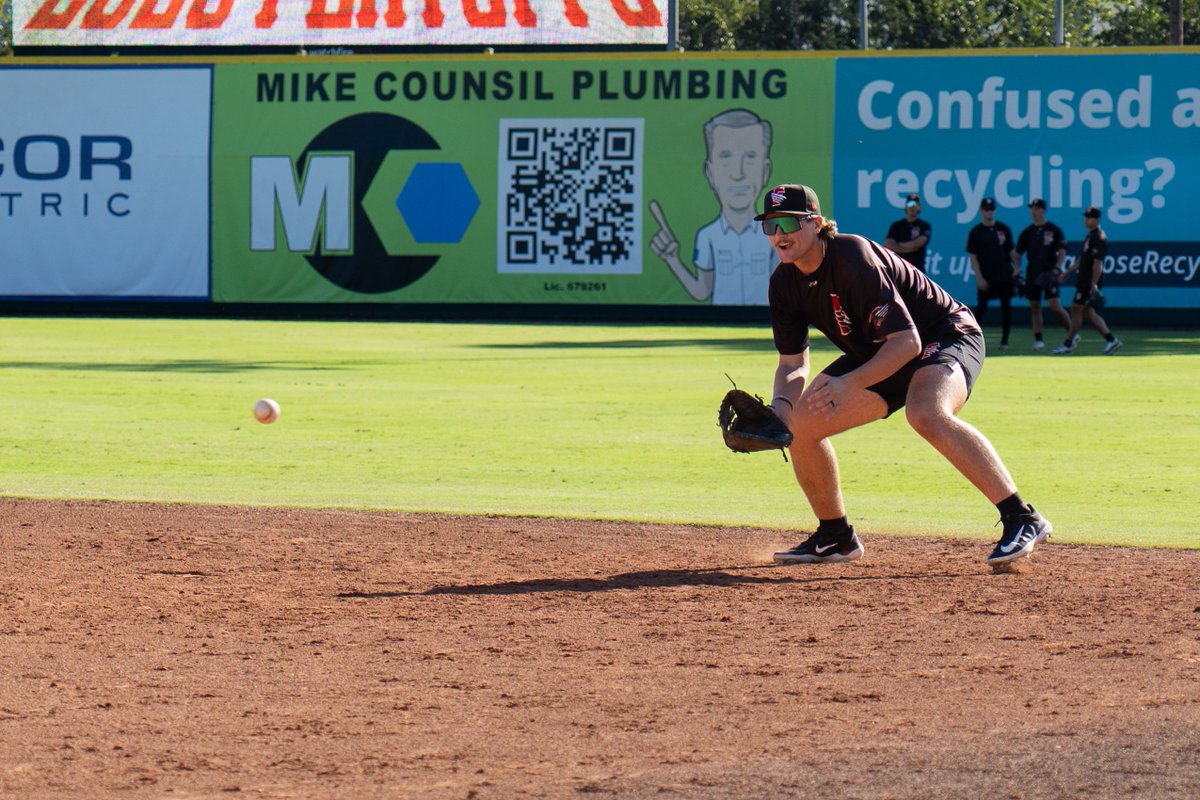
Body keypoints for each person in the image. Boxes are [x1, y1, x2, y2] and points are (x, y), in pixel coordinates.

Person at [756, 184, 1050, 569]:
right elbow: (792, 362)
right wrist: (780, 408)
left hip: (943, 335)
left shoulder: (851, 256)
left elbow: (908, 342)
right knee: (800, 425)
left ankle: (1021, 517)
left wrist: (849, 382)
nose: (778, 235)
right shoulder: (784, 282)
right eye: (770, 226)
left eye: (787, 224)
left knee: (925, 412)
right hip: (881, 354)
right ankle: (835, 536)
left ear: (814, 223)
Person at [649, 108, 777, 305]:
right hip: (722, 318)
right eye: (725, 157)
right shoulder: (707, 236)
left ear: (765, 170)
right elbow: (702, 292)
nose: (738, 172)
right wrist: (671, 259)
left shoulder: (773, 234)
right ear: (710, 172)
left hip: (766, 324)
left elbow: (784, 288)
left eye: (750, 156)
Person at [1052, 206, 1122, 355]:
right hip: (1084, 279)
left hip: (1088, 281)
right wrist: (1068, 272)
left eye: (1089, 217)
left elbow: (1098, 263)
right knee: (1088, 313)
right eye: (1085, 217)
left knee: (1076, 309)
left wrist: (1093, 284)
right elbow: (1082, 259)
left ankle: (1068, 343)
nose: (1086, 220)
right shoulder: (1090, 236)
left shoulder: (1099, 237)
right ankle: (1111, 340)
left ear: (1096, 219)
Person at [1014, 199, 1071, 351]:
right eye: (1032, 208)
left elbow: (1062, 251)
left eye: (1037, 208)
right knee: (1035, 306)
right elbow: (1017, 252)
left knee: (1055, 306)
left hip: (1049, 273)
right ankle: (1038, 339)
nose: (1034, 211)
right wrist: (1017, 268)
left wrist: (1057, 268)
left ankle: (1071, 333)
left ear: (1043, 210)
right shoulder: (1028, 232)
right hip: (1033, 273)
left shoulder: (1053, 229)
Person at [965, 197, 1020, 353]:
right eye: (986, 209)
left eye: (991, 209)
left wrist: (1016, 267)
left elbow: (1011, 251)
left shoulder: (1003, 229)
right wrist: (979, 278)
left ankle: (1004, 340)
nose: (989, 212)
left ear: (994, 210)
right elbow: (973, 256)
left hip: (1004, 275)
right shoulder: (976, 232)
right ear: (981, 211)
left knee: (1006, 309)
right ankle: (973, 340)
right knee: (981, 310)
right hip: (986, 277)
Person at [884, 193, 932, 273]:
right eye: (910, 204)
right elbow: (889, 245)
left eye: (915, 204)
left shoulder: (924, 225)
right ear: (905, 207)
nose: (912, 207)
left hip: (917, 269)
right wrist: (910, 248)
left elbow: (919, 242)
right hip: (898, 268)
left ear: (919, 207)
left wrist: (898, 244)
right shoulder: (896, 225)